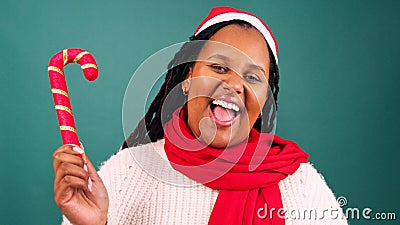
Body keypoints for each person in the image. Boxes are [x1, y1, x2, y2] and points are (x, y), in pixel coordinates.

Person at [52, 6, 348, 225]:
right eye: (219, 67)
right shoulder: (128, 172)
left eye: (253, 77)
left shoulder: (301, 185)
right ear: (189, 77)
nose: (235, 84)